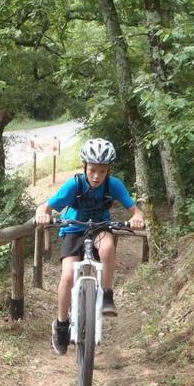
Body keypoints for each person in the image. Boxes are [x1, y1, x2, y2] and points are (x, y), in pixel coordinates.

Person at [35, 138, 145, 355]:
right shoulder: (74, 185)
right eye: (92, 170)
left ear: (108, 171)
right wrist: (42, 214)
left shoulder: (113, 185)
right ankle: (61, 324)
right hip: (73, 228)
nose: (96, 176)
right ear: (84, 166)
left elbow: (135, 210)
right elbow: (47, 206)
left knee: (107, 248)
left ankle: (107, 294)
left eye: (102, 171)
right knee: (67, 275)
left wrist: (138, 217)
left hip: (100, 227)